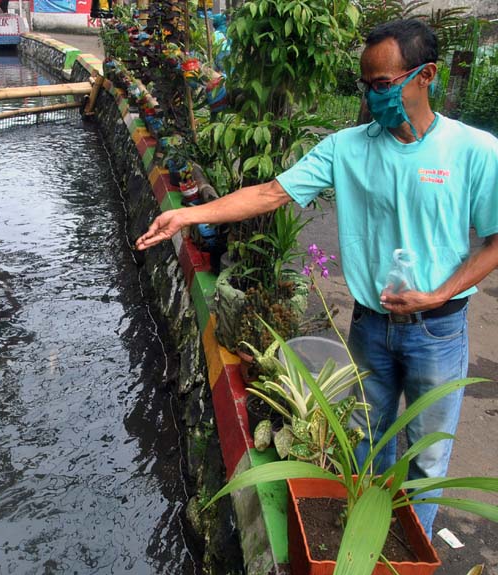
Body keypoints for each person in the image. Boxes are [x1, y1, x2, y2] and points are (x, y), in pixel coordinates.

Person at [135, 18, 498, 538]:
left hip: (438, 330)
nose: (373, 98)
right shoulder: (347, 148)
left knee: (428, 460)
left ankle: (402, 566)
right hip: (370, 326)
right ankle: (366, 545)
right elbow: (269, 193)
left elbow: (495, 239)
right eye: (365, 85)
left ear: (427, 76)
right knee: (365, 442)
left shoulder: (475, 152)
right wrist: (188, 215)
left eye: (383, 85)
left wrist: (441, 292)